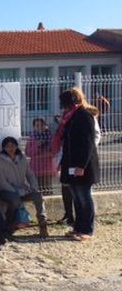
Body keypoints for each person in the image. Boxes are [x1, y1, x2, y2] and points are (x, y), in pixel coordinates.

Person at [57, 90, 100, 241]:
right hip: (71, 163)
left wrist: (82, 165)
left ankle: (87, 229)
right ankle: (78, 227)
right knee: (76, 196)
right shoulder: (70, 116)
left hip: (83, 165)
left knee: (84, 196)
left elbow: (88, 143)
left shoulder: (84, 115)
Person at [0, 137, 49, 237]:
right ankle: (9, 226)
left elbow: (30, 174)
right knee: (15, 200)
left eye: (13, 145)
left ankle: (43, 224)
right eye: (7, 146)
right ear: (4, 148)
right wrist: (16, 191)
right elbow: (2, 182)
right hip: (5, 191)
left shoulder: (22, 158)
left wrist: (33, 187)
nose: (10, 148)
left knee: (38, 196)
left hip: (22, 189)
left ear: (17, 146)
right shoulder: (0, 160)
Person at [25, 118, 56, 194]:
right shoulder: (32, 137)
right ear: (34, 127)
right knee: (37, 189)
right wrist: (36, 145)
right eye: (37, 125)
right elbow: (28, 152)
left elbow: (54, 150)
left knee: (47, 189)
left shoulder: (51, 136)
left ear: (45, 125)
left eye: (42, 125)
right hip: (36, 168)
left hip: (47, 168)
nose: (40, 127)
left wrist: (48, 153)